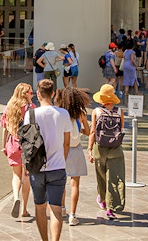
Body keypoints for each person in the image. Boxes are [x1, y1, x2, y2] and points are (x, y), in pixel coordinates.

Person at [24, 79, 70, 241]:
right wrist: (61, 160)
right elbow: (67, 143)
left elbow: (26, 143)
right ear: (53, 93)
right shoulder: (63, 114)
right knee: (56, 208)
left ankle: (44, 239)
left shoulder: (30, 115)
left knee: (40, 207)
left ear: (38, 94)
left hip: (37, 169)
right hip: (57, 168)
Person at [88, 84, 125, 220]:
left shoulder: (97, 111)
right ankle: (111, 208)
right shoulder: (120, 111)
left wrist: (89, 149)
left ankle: (103, 200)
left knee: (101, 177)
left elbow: (92, 132)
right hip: (116, 149)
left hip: (100, 148)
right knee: (114, 178)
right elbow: (121, 129)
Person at [54, 87, 90, 226]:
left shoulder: (60, 114)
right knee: (75, 185)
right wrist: (83, 123)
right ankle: (73, 215)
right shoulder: (80, 113)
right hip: (76, 150)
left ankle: (62, 208)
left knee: (61, 182)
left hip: (62, 150)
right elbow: (87, 131)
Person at [1, 83, 36, 219]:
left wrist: (4, 145)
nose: (32, 95)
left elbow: (5, 128)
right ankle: (24, 209)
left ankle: (16, 197)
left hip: (13, 144)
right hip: (27, 146)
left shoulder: (9, 107)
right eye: (30, 92)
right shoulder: (31, 108)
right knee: (26, 176)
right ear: (24, 94)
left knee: (16, 175)